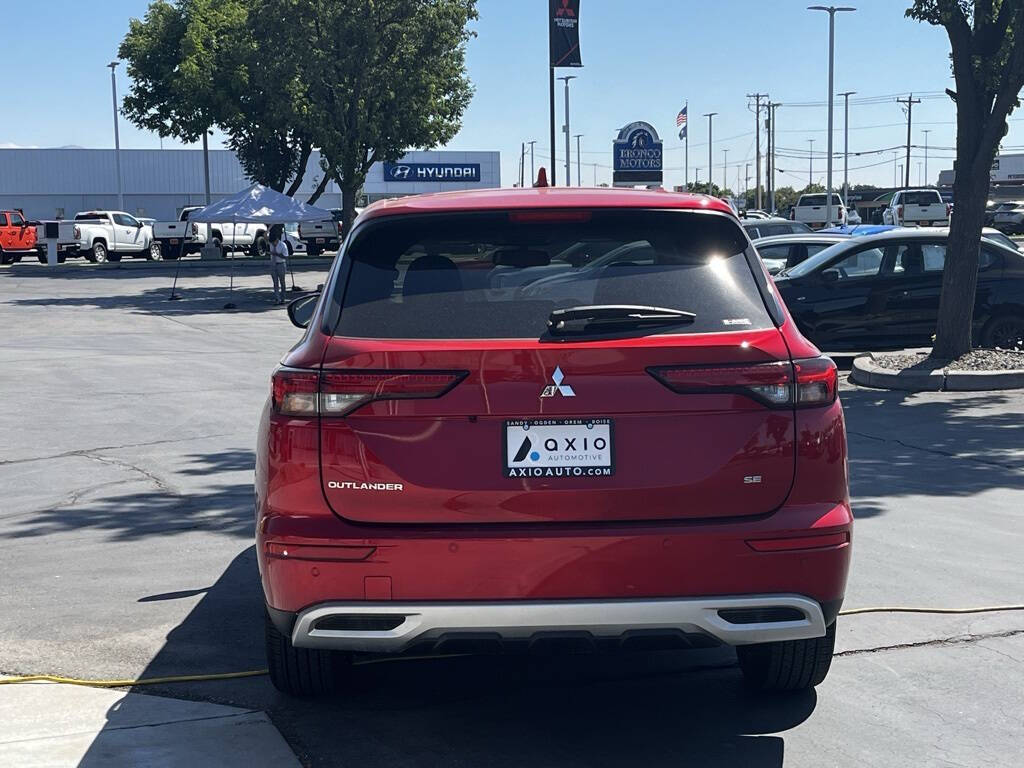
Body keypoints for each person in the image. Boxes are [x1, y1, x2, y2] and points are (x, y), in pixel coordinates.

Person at [268, 224, 289, 304]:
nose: (274, 244)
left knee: (282, 282)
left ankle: (283, 298)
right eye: (272, 243)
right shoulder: (271, 243)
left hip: (281, 264)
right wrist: (270, 227)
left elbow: (285, 257)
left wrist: (276, 254)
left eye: (275, 242)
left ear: (277, 239)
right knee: (275, 283)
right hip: (273, 264)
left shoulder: (283, 245)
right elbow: (264, 235)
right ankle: (277, 298)